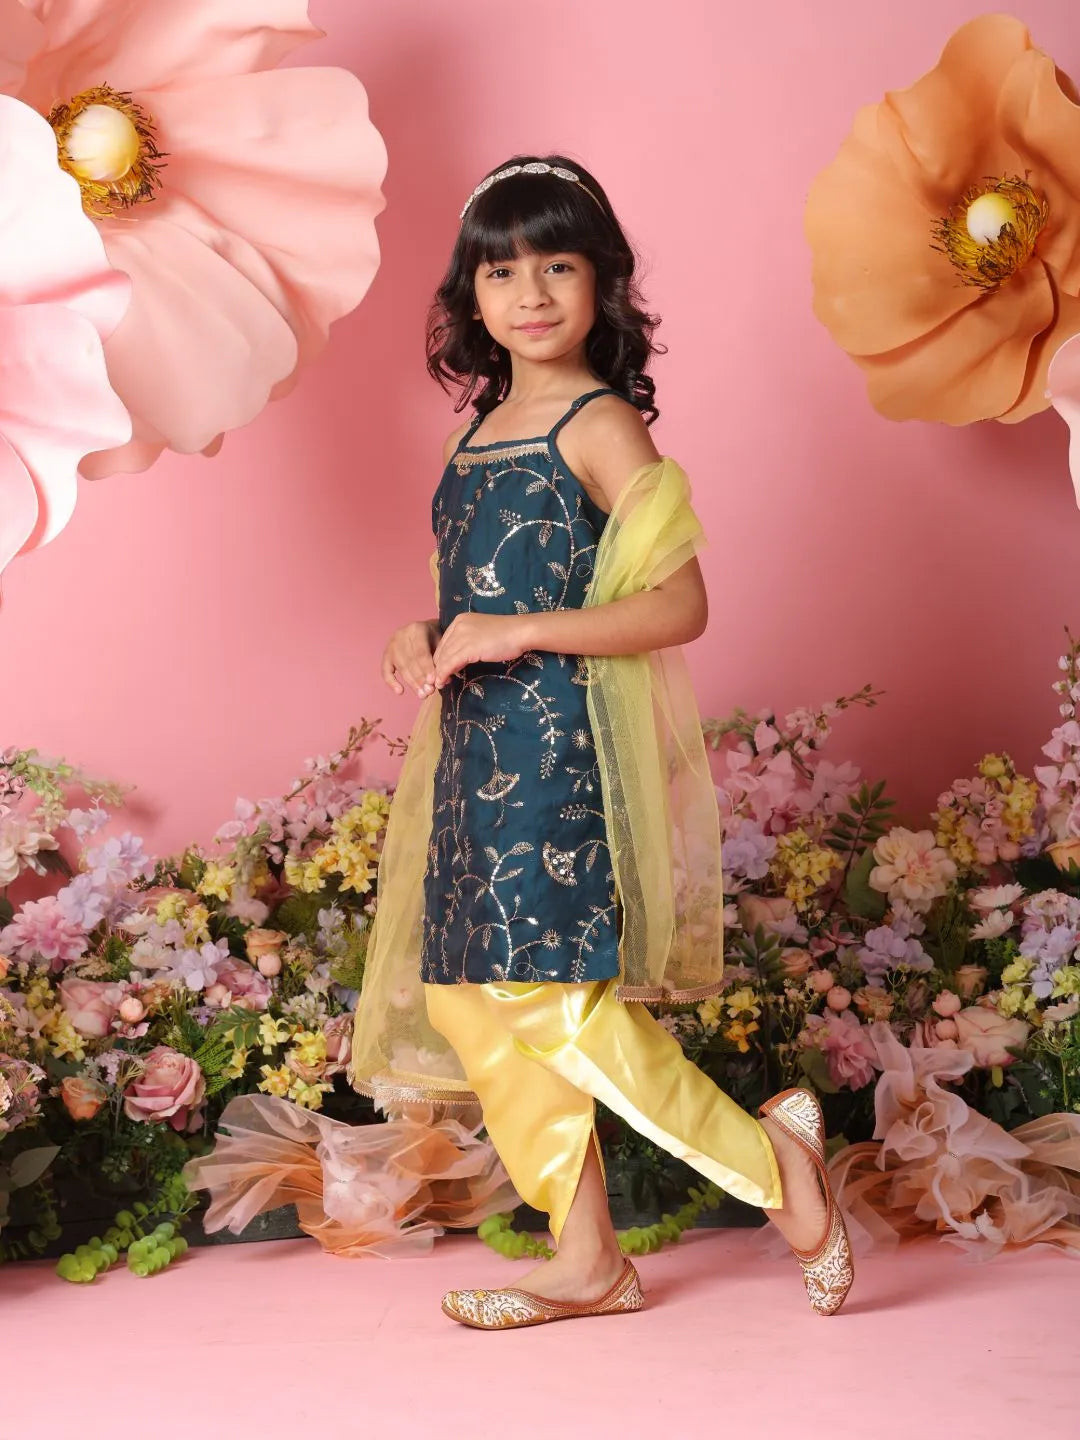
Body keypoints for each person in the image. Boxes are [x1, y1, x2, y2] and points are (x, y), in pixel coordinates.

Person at [349, 154, 853, 1329]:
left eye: (558, 265)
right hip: (475, 756)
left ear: (603, 284)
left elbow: (680, 605)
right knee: (476, 999)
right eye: (501, 269)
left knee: (553, 1000)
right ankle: (588, 1262)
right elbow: (487, 585)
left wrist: (517, 628)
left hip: (558, 753)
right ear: (469, 295)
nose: (530, 293)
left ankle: (778, 1168)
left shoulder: (599, 422)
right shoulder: (477, 433)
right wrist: (421, 633)